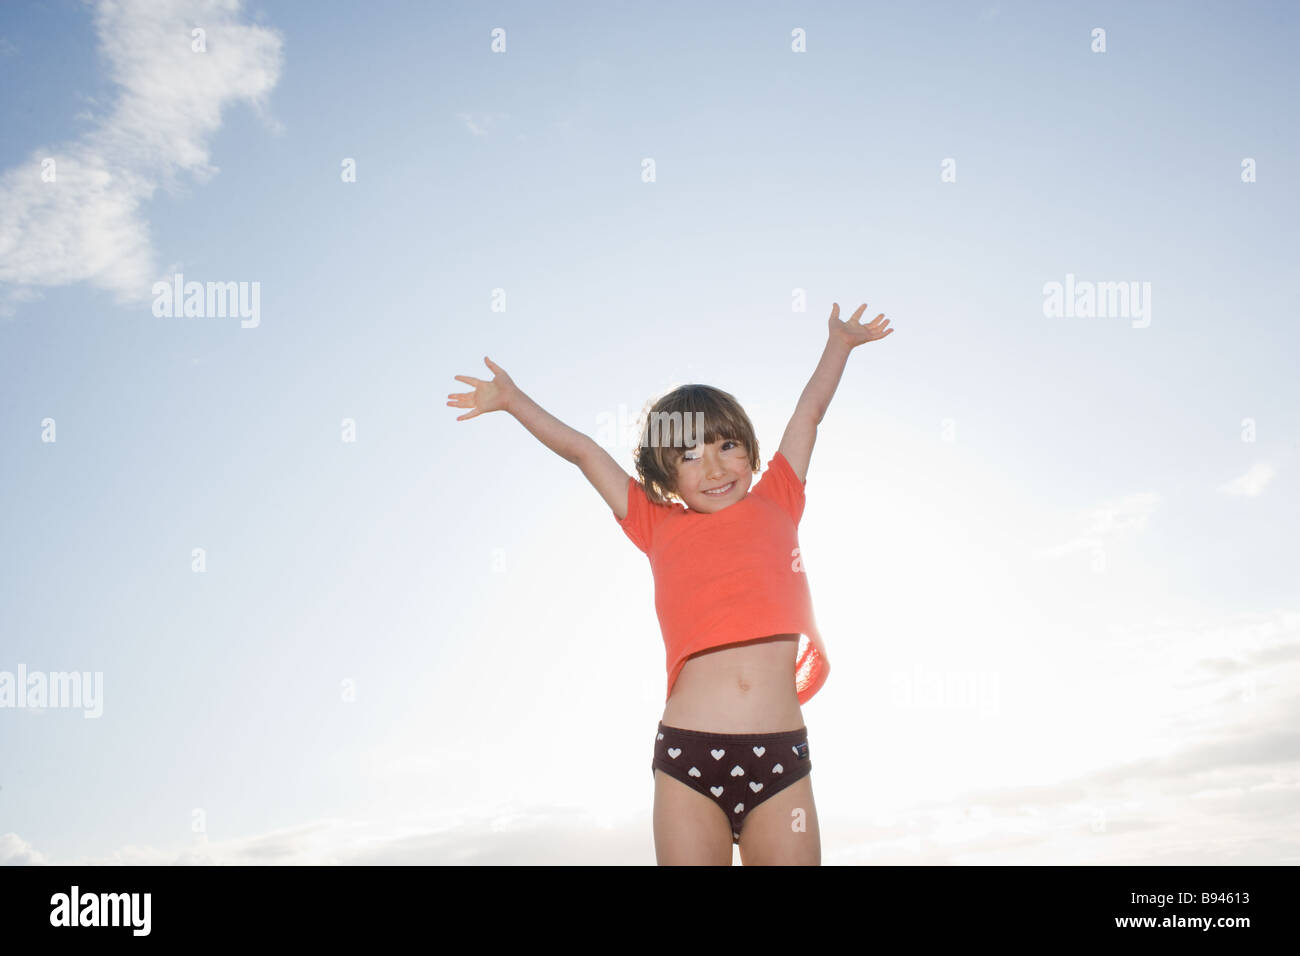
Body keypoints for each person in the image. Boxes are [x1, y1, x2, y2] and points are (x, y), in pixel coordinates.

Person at [447, 302, 894, 865]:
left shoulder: (779, 496)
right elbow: (584, 452)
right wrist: (513, 401)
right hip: (690, 757)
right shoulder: (657, 525)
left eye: (726, 445)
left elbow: (808, 414)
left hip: (781, 757)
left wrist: (839, 345)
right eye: (689, 455)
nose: (713, 467)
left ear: (751, 454)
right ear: (665, 477)